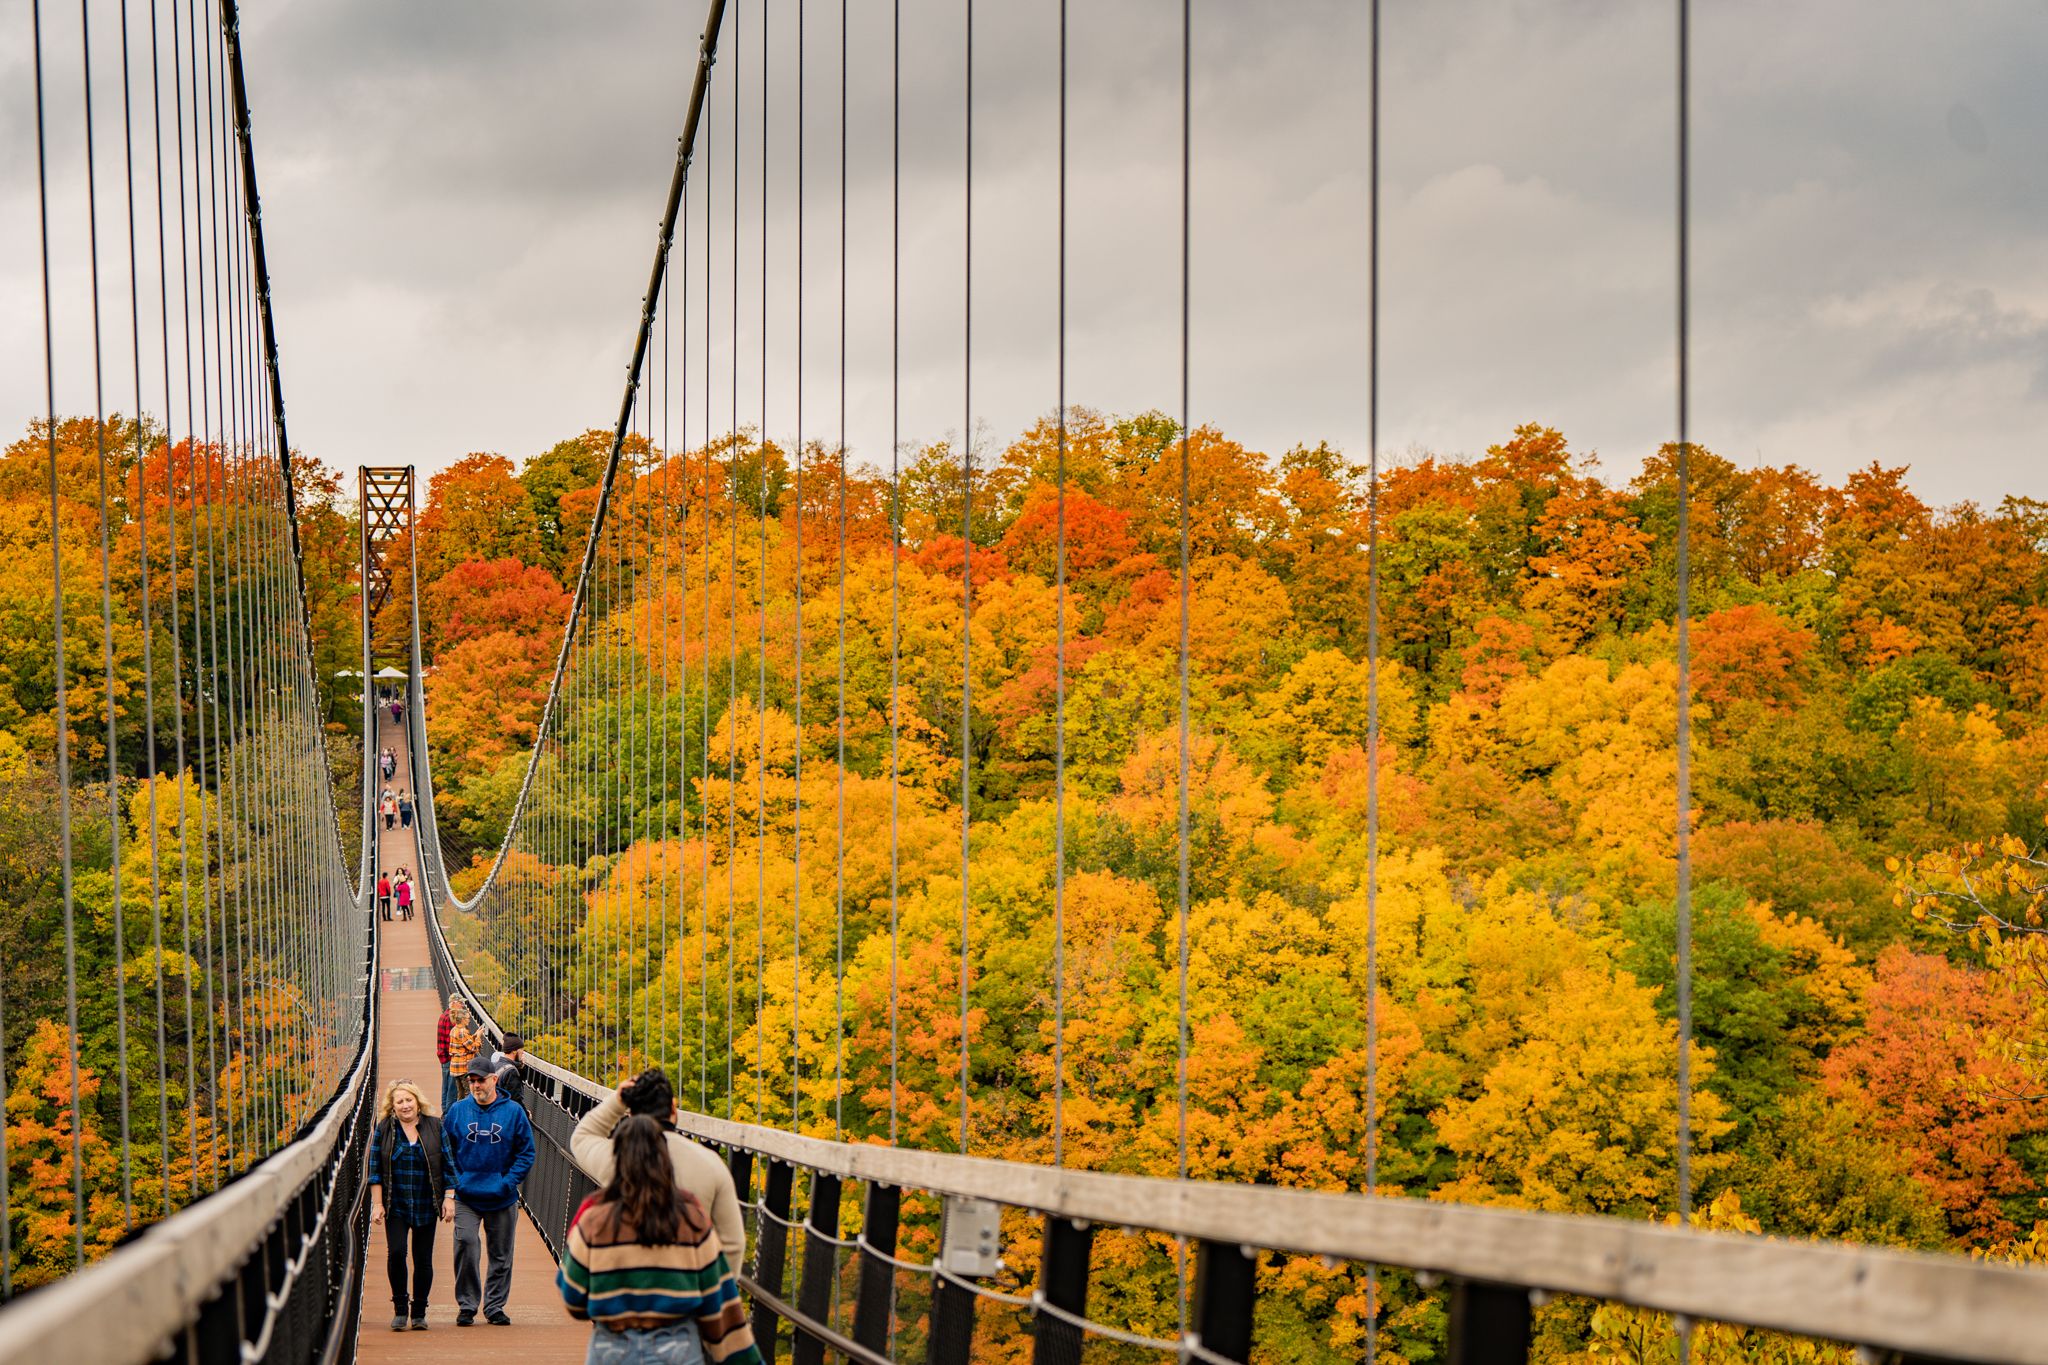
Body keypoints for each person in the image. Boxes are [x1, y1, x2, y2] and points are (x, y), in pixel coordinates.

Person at [557, 1115, 762, 1365]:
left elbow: (573, 1297)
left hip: (611, 1348)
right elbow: (718, 1301)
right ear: (665, 1162)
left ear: (618, 1161)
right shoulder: (692, 1221)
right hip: (678, 1346)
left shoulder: (594, 1221)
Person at [571, 1067, 744, 1263]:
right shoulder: (710, 1163)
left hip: (622, 1282)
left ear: (629, 1114)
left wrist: (616, 1103)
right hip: (685, 1286)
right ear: (673, 1107)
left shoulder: (616, 1158)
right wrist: (712, 1291)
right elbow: (733, 1244)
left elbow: (582, 1138)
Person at [443, 1054, 535, 1327]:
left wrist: (507, 1182)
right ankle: (468, 1305)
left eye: (480, 1080)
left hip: (502, 1195)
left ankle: (494, 1307)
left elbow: (526, 1153)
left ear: (494, 1079)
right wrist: (454, 1184)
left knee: (501, 1254)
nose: (475, 1085)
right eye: (471, 1081)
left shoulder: (514, 1112)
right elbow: (446, 1152)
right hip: (466, 1195)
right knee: (466, 1244)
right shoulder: (458, 1111)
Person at [369, 1078, 448, 1332]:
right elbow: (375, 1171)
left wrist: (449, 1198)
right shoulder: (383, 1129)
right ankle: (400, 1309)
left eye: (408, 1100)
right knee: (397, 1253)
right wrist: (378, 1204)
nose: (405, 1106)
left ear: (418, 1101)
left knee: (423, 1259)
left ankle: (420, 1312)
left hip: (426, 1203)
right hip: (397, 1203)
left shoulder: (435, 1126)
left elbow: (449, 1165)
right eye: (399, 1102)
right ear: (392, 1107)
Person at [444, 1000, 482, 1114]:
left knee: (460, 1093)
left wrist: (474, 1035)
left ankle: (458, 1113)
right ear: (462, 1020)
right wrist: (479, 1037)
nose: (469, 1020)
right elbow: (474, 1048)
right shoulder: (462, 1032)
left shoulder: (454, 1030)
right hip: (463, 1067)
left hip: (455, 1067)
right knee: (468, 1092)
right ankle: (467, 1114)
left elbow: (463, 1044)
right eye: (467, 1018)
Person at [487, 1032, 526, 1108]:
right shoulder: (511, 1071)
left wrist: (521, 1067)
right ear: (514, 1051)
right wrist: (526, 1114)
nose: (523, 1052)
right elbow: (515, 1100)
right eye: (521, 1049)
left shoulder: (494, 1065)